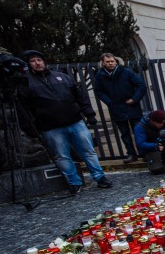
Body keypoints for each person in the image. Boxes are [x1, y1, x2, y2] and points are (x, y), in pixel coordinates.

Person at [17, 49, 112, 195]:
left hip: (74, 121)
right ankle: (74, 182)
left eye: (39, 60)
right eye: (33, 61)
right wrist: (30, 127)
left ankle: (100, 177)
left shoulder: (62, 77)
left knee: (88, 151)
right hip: (50, 127)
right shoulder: (26, 83)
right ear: (29, 64)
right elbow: (24, 108)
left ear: (44, 61)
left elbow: (80, 96)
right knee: (62, 155)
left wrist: (89, 114)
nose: (37, 63)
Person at [92, 53, 147, 162]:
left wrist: (134, 99)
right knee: (124, 134)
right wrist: (109, 102)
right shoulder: (100, 75)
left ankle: (144, 154)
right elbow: (98, 91)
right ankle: (131, 154)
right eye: (107, 62)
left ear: (116, 61)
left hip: (132, 106)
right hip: (116, 108)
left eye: (112, 61)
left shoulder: (126, 72)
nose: (110, 63)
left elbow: (141, 85)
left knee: (138, 131)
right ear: (103, 63)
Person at [133, 109, 165, 174]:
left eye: (163, 122)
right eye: (159, 123)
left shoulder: (164, 122)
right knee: (157, 170)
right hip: (151, 149)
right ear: (152, 121)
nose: (162, 125)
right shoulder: (140, 127)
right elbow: (140, 144)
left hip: (164, 145)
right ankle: (153, 162)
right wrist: (155, 146)